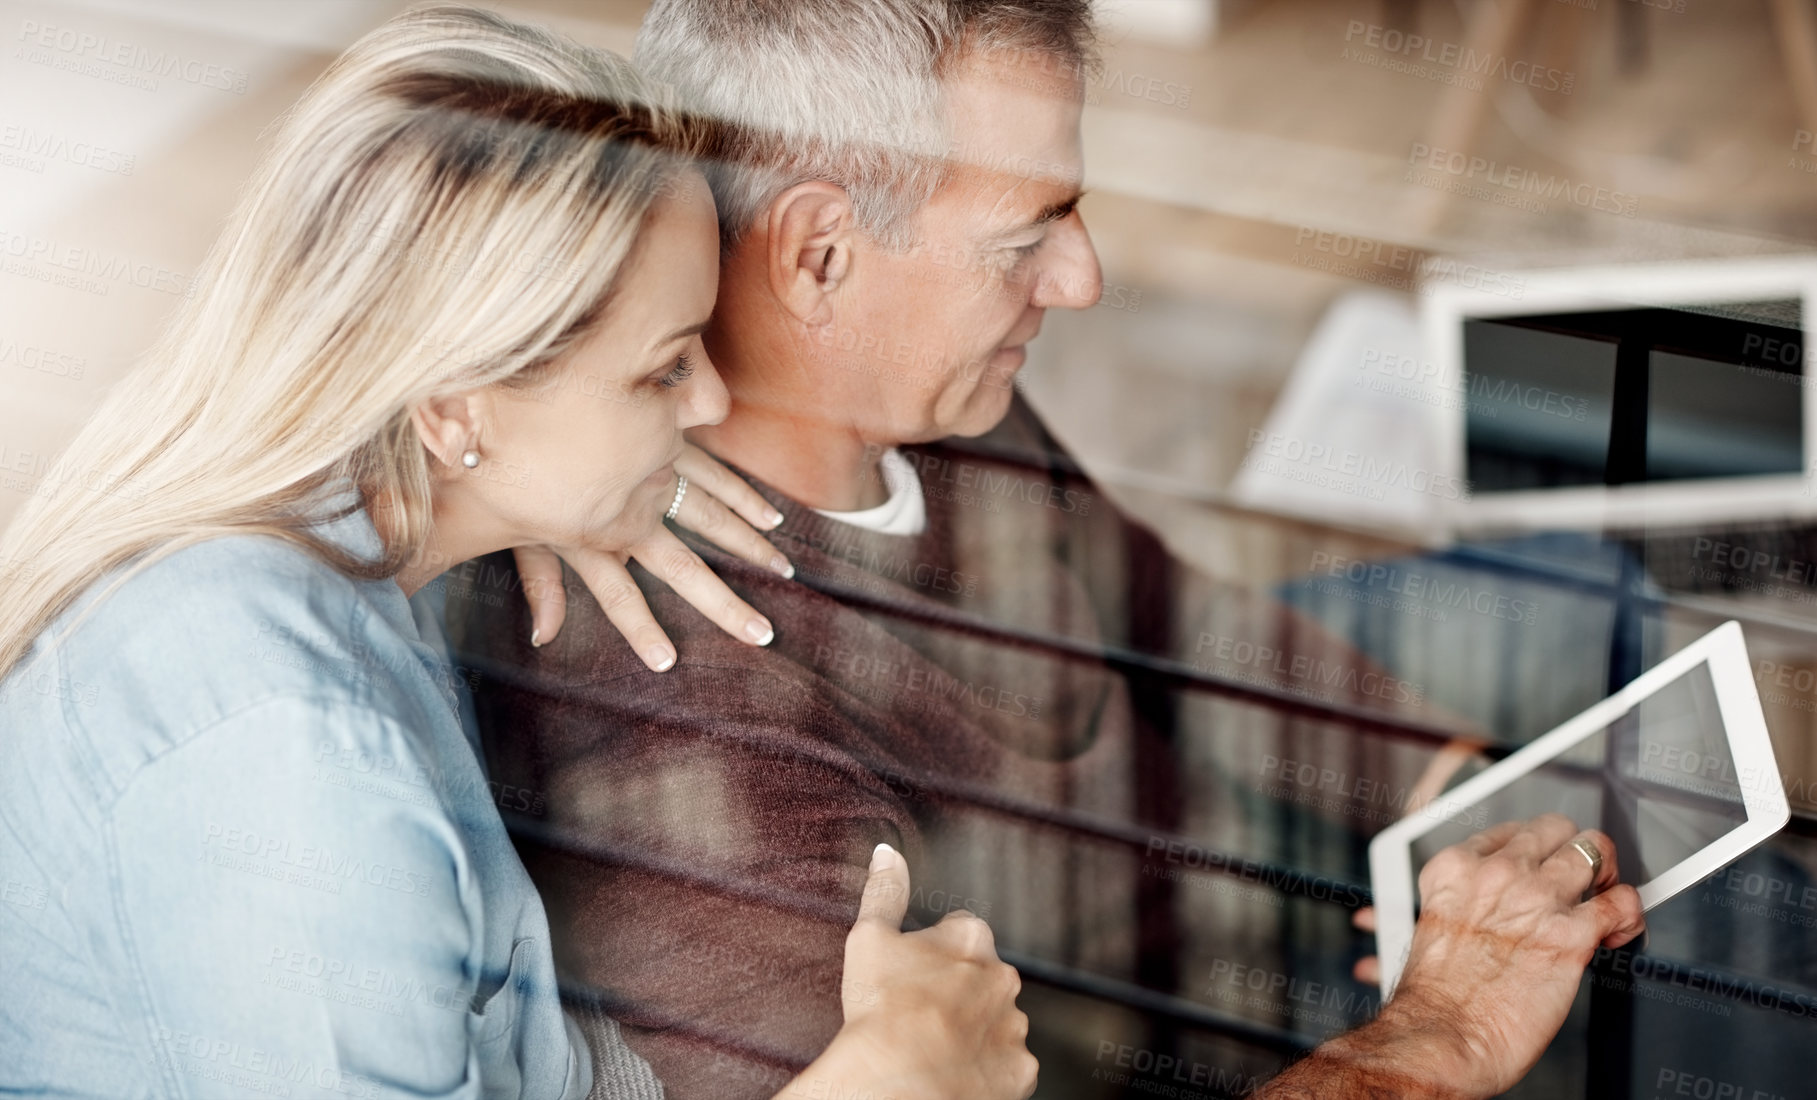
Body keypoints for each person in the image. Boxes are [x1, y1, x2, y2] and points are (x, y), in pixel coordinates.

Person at [446, 2, 1647, 1098]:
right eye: (1031, 230)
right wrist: (1444, 1030)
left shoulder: (918, 392)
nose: (1081, 277)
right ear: (818, 255)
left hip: (1259, 909)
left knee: (1612, 616)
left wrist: (1440, 791)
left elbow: (1160, 603)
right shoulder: (700, 740)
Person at [0, 7, 1037, 1099]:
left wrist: (561, 494)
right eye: (662, 370)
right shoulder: (293, 764)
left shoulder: (372, 522)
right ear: (455, 411)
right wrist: (887, 1076)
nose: (715, 399)